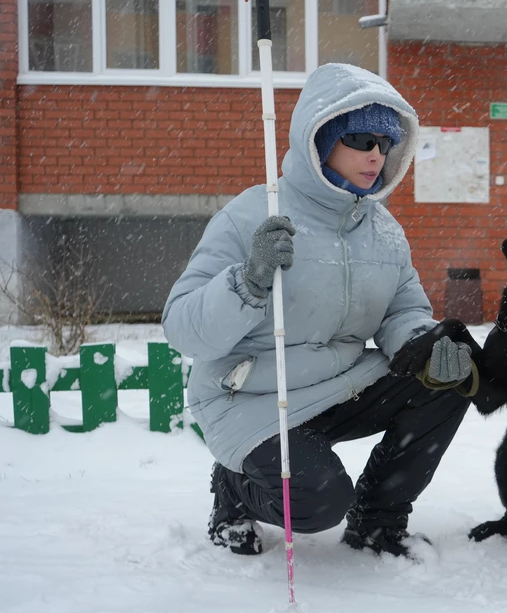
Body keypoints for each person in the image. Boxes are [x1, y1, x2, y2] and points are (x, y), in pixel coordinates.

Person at [162, 63, 475, 558]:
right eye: (362, 140)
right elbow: (182, 329)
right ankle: (233, 489)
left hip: (340, 386)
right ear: (321, 138)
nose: (377, 155)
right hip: (255, 399)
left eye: (386, 144)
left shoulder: (384, 232)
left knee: (445, 378)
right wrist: (248, 281)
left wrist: (423, 345)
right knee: (316, 506)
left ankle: (376, 520)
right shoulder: (252, 215)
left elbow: (403, 311)